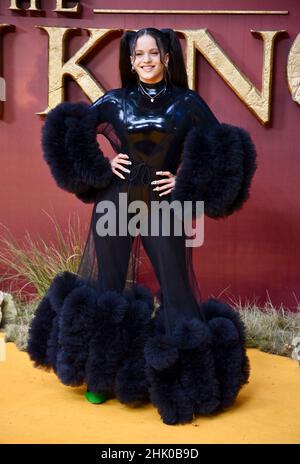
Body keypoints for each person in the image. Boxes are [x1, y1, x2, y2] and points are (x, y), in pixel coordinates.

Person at [27, 28, 257, 425]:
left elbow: (220, 148)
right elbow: (70, 131)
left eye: (154, 52)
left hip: (162, 205)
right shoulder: (115, 101)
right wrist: (102, 166)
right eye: (139, 54)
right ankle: (99, 377)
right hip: (114, 200)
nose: (147, 59)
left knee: (177, 287)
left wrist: (184, 184)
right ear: (130, 60)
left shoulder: (188, 104)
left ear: (168, 57)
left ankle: (185, 385)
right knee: (107, 284)